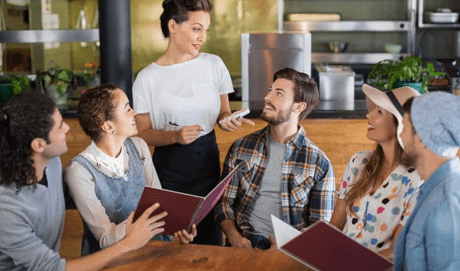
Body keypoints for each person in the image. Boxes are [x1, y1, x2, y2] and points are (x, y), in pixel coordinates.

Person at [0, 91, 167, 271]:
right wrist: (129, 242)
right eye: (59, 126)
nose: (67, 128)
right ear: (39, 145)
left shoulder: (52, 163)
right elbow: (53, 268)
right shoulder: (7, 209)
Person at [132, 0, 254, 246]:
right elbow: (142, 133)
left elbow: (222, 113)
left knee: (209, 242)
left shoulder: (214, 65)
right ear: (173, 26)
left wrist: (227, 121)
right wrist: (175, 136)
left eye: (205, 30)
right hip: (168, 171)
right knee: (170, 245)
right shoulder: (147, 78)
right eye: (196, 29)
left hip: (207, 165)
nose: (202, 37)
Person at [65, 84, 196, 256]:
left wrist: (176, 228)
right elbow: (105, 239)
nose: (134, 113)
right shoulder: (79, 171)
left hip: (154, 251)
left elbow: (159, 203)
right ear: (107, 126)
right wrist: (142, 222)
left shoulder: (139, 146)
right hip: (112, 261)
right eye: (127, 109)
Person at [215, 68, 336, 250]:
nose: (267, 97)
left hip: (291, 252)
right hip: (241, 245)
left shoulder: (319, 162)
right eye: (270, 90)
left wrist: (288, 250)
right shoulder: (242, 147)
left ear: (298, 106)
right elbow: (223, 203)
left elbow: (320, 227)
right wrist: (234, 237)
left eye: (278, 93)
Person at [328, 84, 423, 259]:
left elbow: (396, 251)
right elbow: (335, 226)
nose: (368, 114)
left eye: (379, 112)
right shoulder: (358, 162)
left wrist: (354, 265)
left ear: (400, 124)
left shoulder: (417, 180)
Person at [394, 92, 460, 270]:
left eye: (405, 128)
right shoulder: (435, 189)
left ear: (422, 138)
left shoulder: (446, 205)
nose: (401, 136)